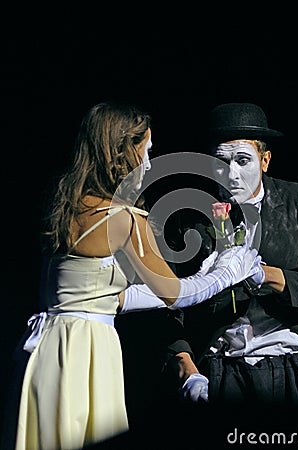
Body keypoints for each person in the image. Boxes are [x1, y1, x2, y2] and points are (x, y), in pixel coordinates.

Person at [2, 101, 262, 450]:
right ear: (124, 151)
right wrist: (227, 271)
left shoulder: (62, 205)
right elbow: (175, 294)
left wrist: (204, 272)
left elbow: (104, 295)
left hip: (45, 348)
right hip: (85, 351)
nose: (150, 162)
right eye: (147, 150)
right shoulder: (123, 219)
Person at [160, 102, 298, 423]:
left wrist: (266, 275)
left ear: (265, 160)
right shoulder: (187, 215)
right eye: (220, 162)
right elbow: (166, 305)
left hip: (289, 362)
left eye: (243, 160)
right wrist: (186, 368)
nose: (231, 173)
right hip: (220, 368)